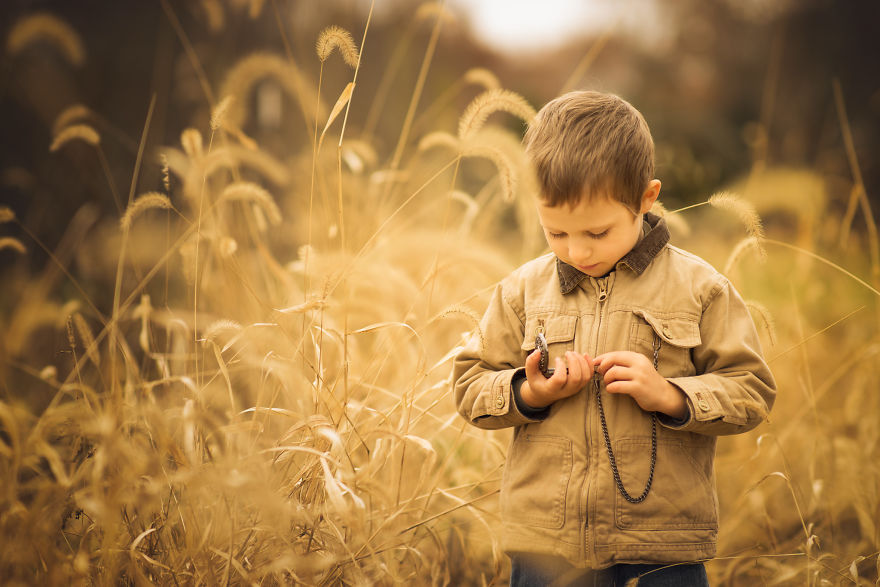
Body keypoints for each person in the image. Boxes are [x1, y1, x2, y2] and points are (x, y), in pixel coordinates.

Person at [452, 90, 776, 586]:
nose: (577, 251)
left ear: (646, 198)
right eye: (555, 233)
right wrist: (529, 391)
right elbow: (470, 385)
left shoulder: (701, 288)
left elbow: (751, 391)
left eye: (597, 233)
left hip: (661, 543)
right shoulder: (521, 292)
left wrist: (671, 395)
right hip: (547, 546)